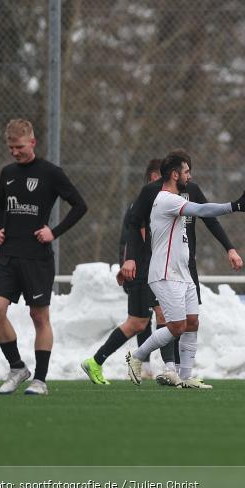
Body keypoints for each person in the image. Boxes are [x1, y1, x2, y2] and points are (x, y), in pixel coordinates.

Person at [123, 152, 245, 389]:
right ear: (175, 174)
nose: (190, 176)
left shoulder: (176, 197)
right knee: (176, 326)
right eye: (186, 171)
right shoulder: (166, 199)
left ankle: (185, 377)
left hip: (183, 273)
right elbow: (204, 211)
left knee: (192, 322)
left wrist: (229, 247)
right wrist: (234, 206)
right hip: (166, 274)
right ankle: (136, 357)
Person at [0, 119, 88, 396]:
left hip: (37, 258)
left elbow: (80, 205)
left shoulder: (50, 173)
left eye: (19, 147)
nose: (14, 152)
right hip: (8, 255)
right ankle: (17, 367)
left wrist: (53, 232)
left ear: (32, 142)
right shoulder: (7, 172)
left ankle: (40, 380)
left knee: (38, 315)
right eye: (10, 147)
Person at [81, 159, 177, 385]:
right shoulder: (145, 204)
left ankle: (97, 362)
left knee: (144, 321)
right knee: (155, 318)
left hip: (149, 270)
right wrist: (127, 263)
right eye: (160, 178)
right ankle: (167, 369)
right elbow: (135, 238)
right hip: (145, 272)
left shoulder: (160, 203)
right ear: (154, 178)